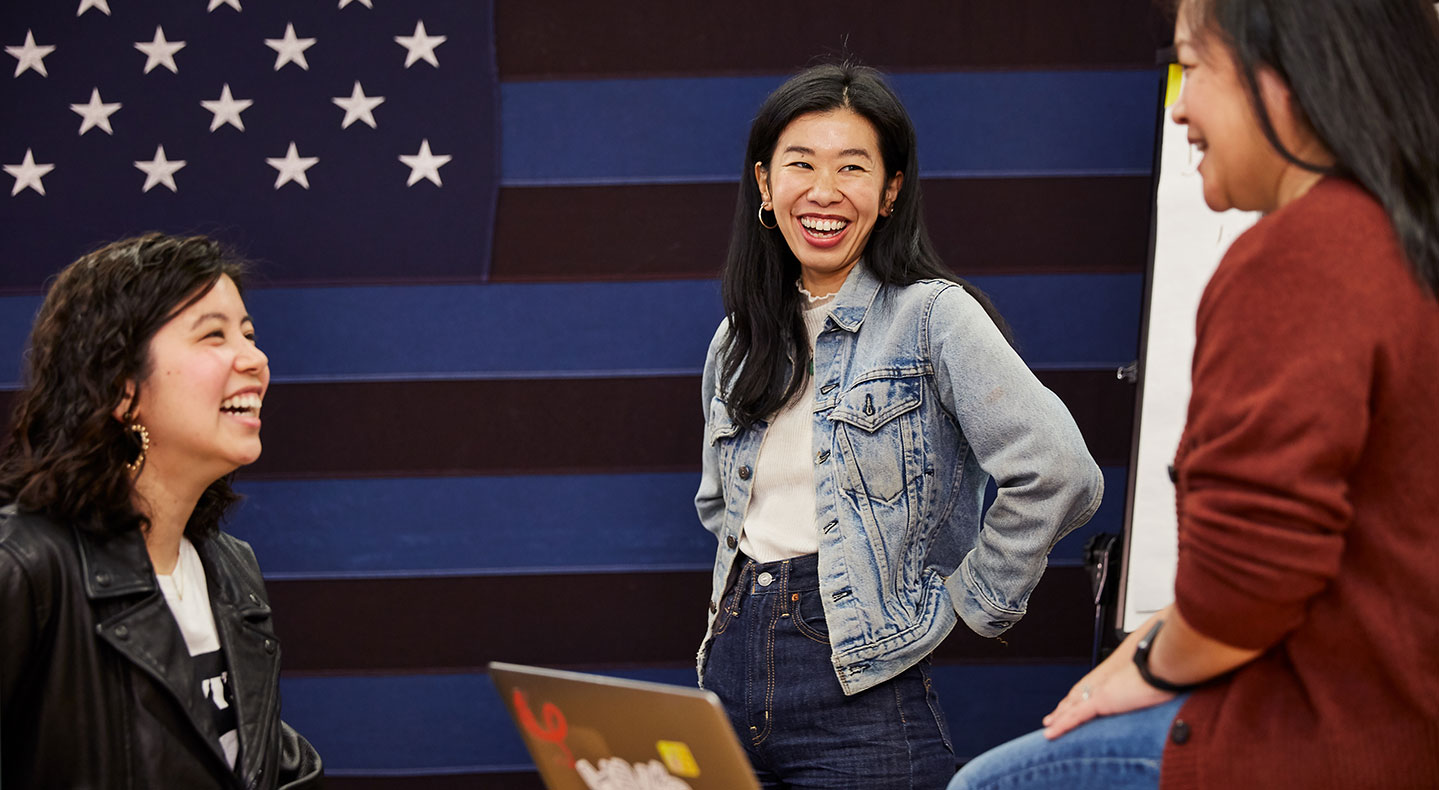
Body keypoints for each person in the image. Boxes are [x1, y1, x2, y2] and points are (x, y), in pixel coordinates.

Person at [950, 1, 1439, 788]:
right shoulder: (1405, 243)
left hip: (1314, 742)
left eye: (1195, 65)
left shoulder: (1300, 256)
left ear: (1282, 76)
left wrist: (1140, 663)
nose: (1179, 104)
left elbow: (1247, 584)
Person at [694, 61, 1105, 789]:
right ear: (764, 184)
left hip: (857, 688)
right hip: (725, 677)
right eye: (800, 164)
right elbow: (720, 504)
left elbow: (1058, 470)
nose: (823, 191)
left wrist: (968, 599)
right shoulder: (737, 339)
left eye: (852, 167)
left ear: (888, 193)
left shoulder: (931, 317)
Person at [0, 234, 323, 788]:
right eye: (214, 335)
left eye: (248, 333)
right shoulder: (23, 564)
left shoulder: (231, 568)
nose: (255, 358)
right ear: (123, 390)